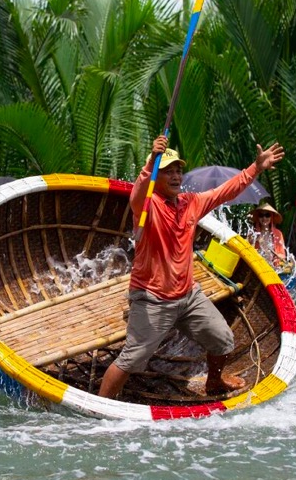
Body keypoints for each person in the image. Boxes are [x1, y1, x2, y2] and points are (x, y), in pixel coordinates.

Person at [97, 135, 285, 398]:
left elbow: (226, 191)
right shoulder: (148, 205)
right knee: (130, 360)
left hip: (188, 296)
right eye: (168, 172)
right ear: (156, 177)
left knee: (223, 340)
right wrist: (151, 160)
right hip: (152, 299)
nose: (176, 176)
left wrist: (256, 167)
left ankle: (214, 382)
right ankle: (102, 408)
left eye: (178, 171)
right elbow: (139, 191)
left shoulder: (191, 203)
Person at [250, 202, 287, 268]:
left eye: (267, 215)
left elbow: (282, 255)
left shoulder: (278, 234)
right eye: (261, 215)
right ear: (258, 217)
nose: (264, 218)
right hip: (257, 267)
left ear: (271, 217)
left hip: (273, 267)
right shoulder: (253, 233)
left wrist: (278, 256)